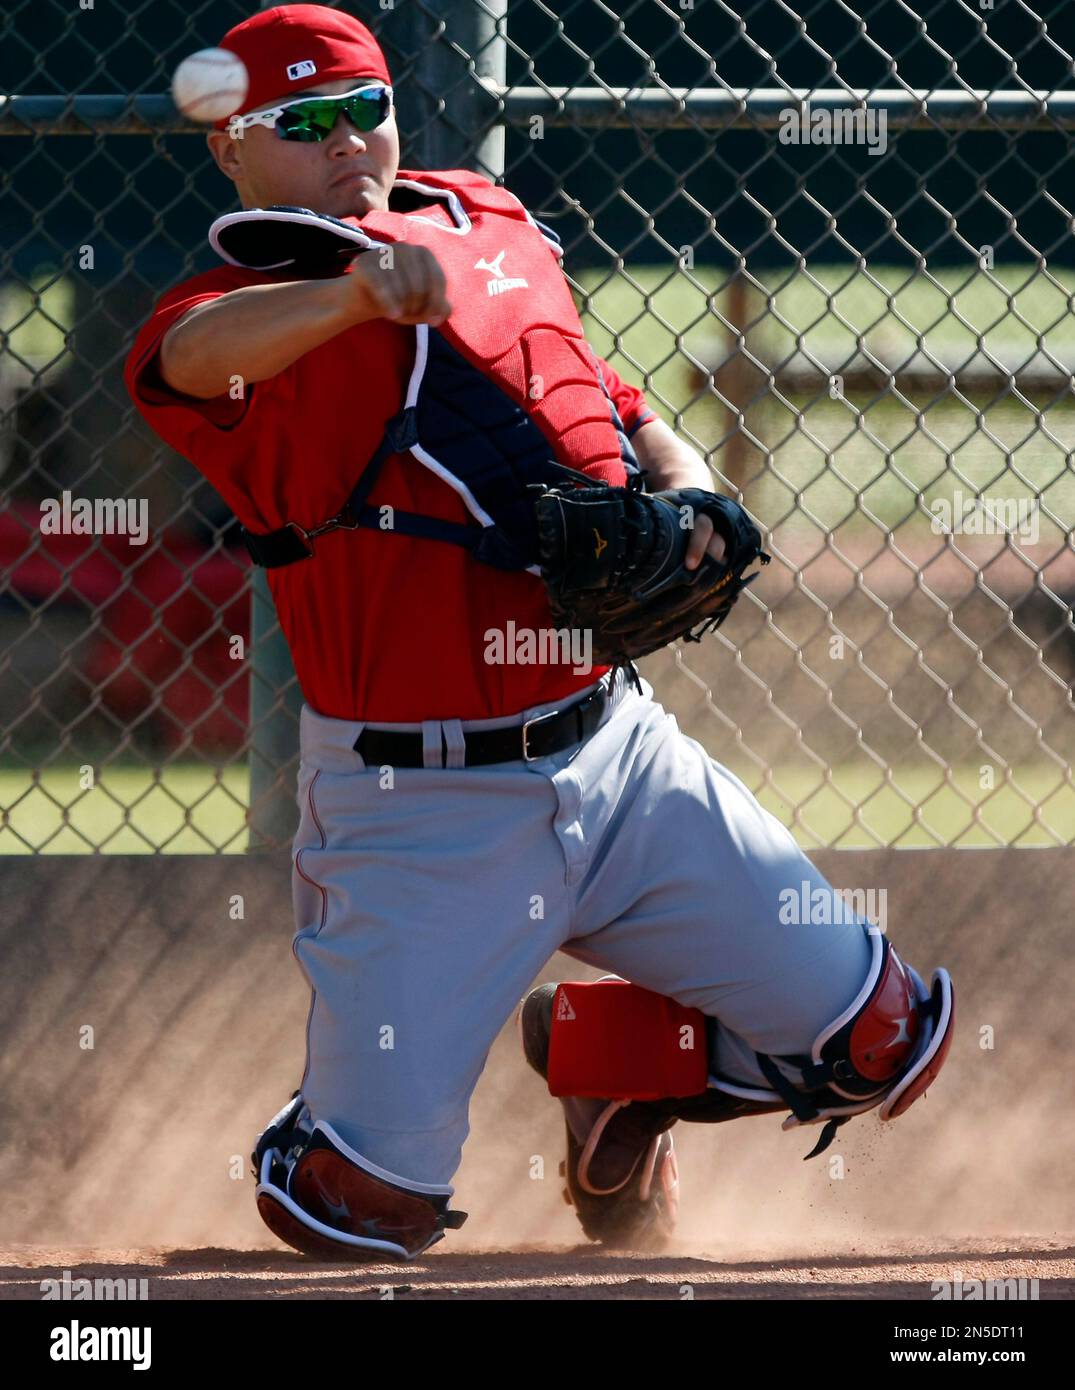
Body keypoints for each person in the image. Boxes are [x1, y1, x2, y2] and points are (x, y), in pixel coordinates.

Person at [125, 4, 953, 1261]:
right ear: (232, 153)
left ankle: (607, 1063)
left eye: (365, 109)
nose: (349, 143)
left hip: (618, 760)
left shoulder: (482, 220)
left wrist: (683, 489)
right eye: (303, 125)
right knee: (353, 1211)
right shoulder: (245, 326)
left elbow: (608, 396)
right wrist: (350, 296)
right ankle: (355, 1108)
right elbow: (191, 358)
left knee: (884, 1038)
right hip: (421, 810)